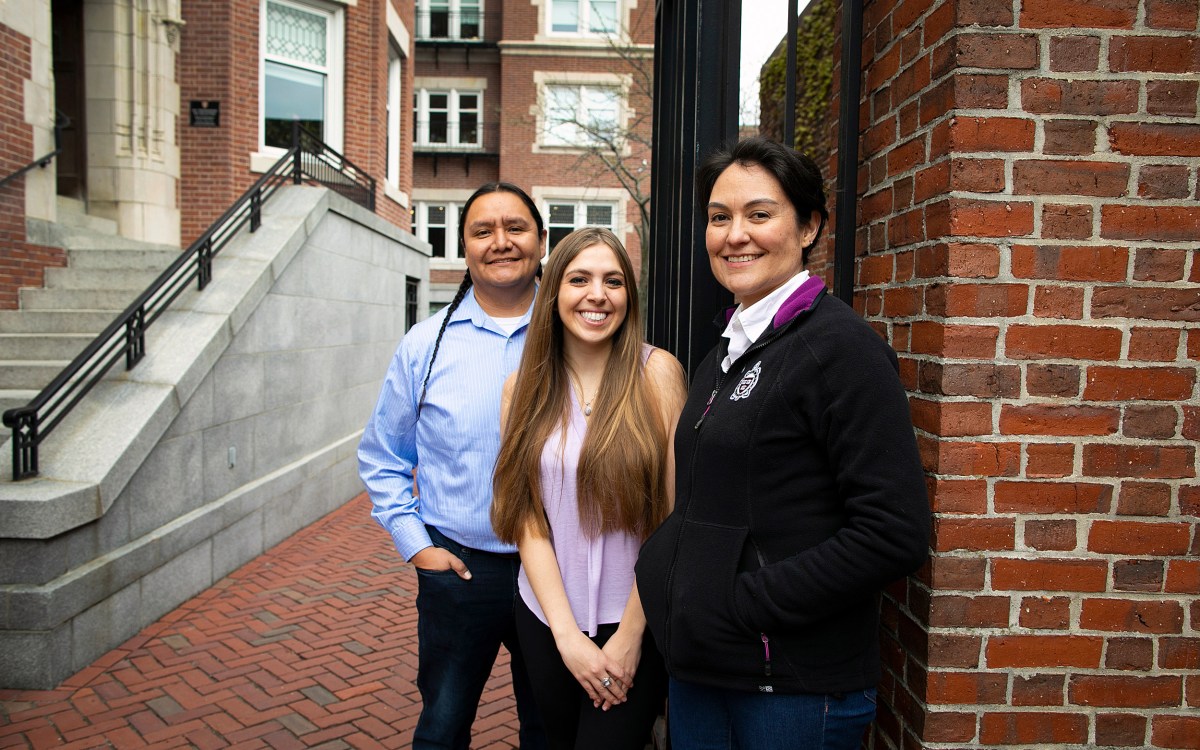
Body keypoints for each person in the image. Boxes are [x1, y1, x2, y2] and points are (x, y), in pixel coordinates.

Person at [635, 137, 931, 749]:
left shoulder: (839, 348)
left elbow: (893, 531)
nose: (734, 234)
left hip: (790, 691)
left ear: (810, 226)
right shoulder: (730, 346)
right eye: (719, 217)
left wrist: (745, 604)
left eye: (759, 214)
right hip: (707, 671)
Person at [359, 182, 550, 750]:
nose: (501, 242)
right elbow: (383, 456)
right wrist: (416, 544)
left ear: (541, 241)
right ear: (464, 246)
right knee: (442, 727)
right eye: (483, 230)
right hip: (460, 572)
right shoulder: (425, 345)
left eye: (516, 228)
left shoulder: (576, 333)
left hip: (559, 576)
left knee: (551, 730)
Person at [491, 227, 687, 750]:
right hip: (548, 620)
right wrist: (565, 636)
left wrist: (629, 637)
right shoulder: (522, 388)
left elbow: (670, 518)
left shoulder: (658, 375)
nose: (597, 295)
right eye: (580, 279)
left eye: (613, 281)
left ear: (629, 295)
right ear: (554, 291)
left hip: (633, 622)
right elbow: (525, 515)